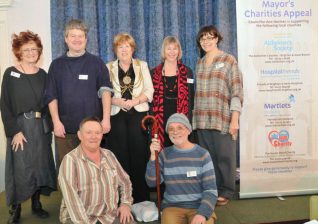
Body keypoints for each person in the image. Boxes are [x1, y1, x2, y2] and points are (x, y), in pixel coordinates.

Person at [0, 31, 57, 224]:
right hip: (20, 127)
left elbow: (49, 103)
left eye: (35, 49)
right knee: (21, 167)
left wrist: (49, 128)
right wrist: (14, 131)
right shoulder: (10, 73)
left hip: (40, 126)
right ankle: (15, 209)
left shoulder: (43, 74)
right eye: (27, 49)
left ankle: (36, 203)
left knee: (39, 165)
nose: (32, 52)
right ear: (19, 52)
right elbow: (5, 105)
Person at [44, 19, 113, 166]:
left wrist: (106, 119)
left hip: (92, 130)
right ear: (66, 39)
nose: (77, 39)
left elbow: (106, 92)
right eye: (73, 36)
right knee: (67, 171)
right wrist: (56, 122)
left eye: (80, 36)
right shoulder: (56, 65)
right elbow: (51, 96)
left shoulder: (96, 63)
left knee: (94, 170)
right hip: (65, 130)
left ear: (86, 39)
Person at [193, 25, 244, 206]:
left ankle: (227, 191)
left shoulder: (229, 60)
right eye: (202, 39)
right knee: (208, 159)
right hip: (202, 119)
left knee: (225, 157)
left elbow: (237, 91)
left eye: (209, 37)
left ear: (217, 39)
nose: (206, 41)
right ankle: (212, 191)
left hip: (222, 118)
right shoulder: (199, 63)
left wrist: (235, 119)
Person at [58, 117, 135, 224]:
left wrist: (126, 203)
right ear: (80, 135)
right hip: (77, 218)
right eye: (88, 132)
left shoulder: (109, 155)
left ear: (102, 135)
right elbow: (72, 201)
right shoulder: (70, 161)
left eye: (97, 132)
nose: (93, 136)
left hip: (108, 215)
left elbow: (125, 181)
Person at [106, 33, 154, 203]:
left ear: (133, 48)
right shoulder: (108, 67)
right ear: (115, 50)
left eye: (127, 46)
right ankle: (122, 199)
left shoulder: (142, 65)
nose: (124, 49)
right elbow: (103, 93)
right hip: (116, 116)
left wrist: (134, 101)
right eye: (120, 46)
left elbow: (149, 91)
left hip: (138, 115)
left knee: (139, 156)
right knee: (119, 157)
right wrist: (116, 100)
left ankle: (140, 197)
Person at [145, 113, 217, 224]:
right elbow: (152, 182)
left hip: (199, 206)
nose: (175, 132)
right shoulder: (164, 154)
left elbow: (210, 190)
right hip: (172, 207)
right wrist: (153, 157)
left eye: (180, 127)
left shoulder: (203, 154)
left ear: (188, 130)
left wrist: (202, 214)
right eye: (171, 129)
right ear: (168, 133)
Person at [151, 36, 194, 148]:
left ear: (179, 51)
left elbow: (191, 99)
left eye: (175, 48)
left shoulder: (187, 72)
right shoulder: (154, 73)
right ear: (164, 51)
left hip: (181, 117)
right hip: (161, 118)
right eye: (168, 49)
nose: (172, 52)